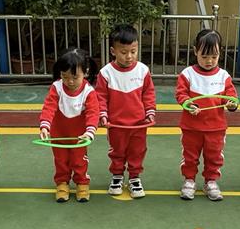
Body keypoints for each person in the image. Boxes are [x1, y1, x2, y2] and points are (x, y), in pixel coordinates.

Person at [175, 28, 238, 201]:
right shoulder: (187, 74)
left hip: (216, 128)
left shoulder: (224, 76)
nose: (209, 61)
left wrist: (232, 104)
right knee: (190, 156)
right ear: (195, 51)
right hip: (191, 127)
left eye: (214, 56)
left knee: (214, 156)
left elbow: (231, 96)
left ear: (220, 53)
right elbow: (181, 94)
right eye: (204, 56)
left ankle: (211, 181)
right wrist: (189, 104)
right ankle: (189, 180)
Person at [95, 24, 155, 199]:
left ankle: (135, 177)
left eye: (133, 51)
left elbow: (148, 93)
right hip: (116, 125)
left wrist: (150, 112)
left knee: (138, 151)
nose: (129, 56)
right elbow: (100, 97)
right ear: (113, 51)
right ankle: (117, 176)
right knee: (117, 151)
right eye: (124, 52)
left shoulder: (143, 70)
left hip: (138, 124)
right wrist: (103, 115)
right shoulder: (106, 73)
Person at [40, 49, 100, 202]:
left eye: (75, 77)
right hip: (59, 135)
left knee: (79, 161)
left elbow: (93, 113)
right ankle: (62, 183)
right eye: (65, 76)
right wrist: (45, 125)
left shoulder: (88, 91)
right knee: (60, 161)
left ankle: (82, 183)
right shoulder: (57, 87)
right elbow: (49, 106)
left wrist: (90, 132)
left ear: (85, 72)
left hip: (79, 137)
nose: (70, 81)